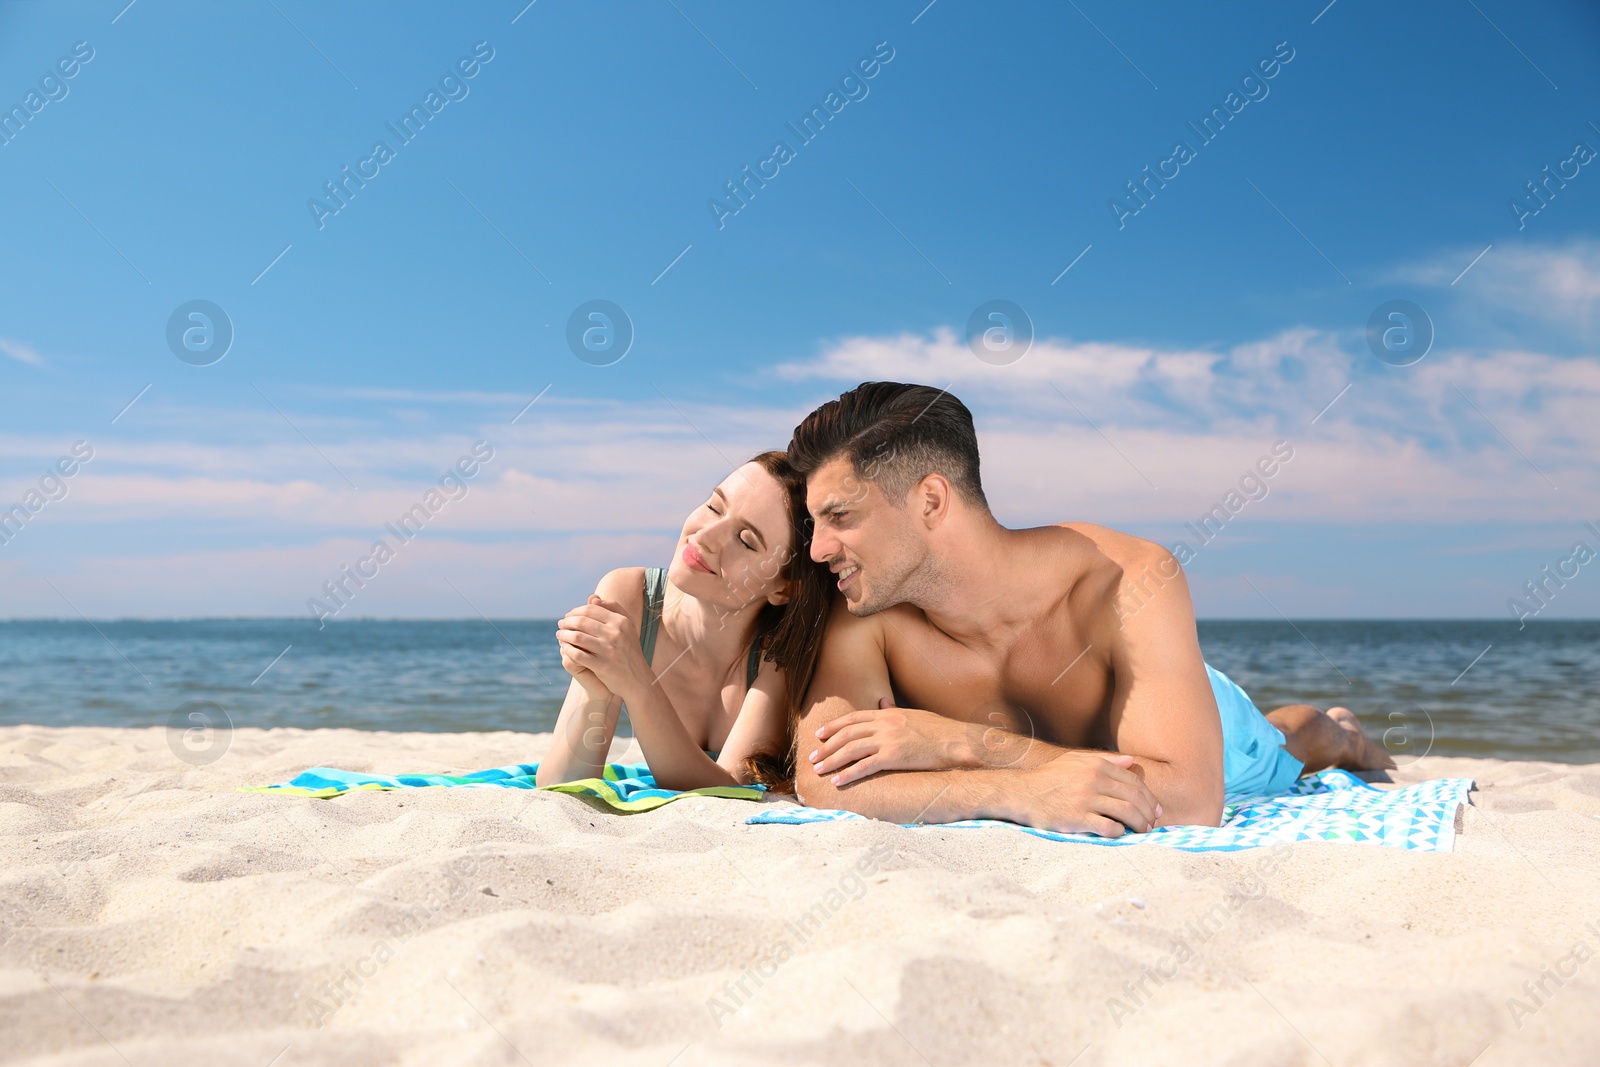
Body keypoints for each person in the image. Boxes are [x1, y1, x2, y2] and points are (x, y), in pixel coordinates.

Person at [787, 382, 1395, 836]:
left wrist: (957, 744)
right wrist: (1020, 792)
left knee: (1292, 739)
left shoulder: (1127, 580)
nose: (818, 550)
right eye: (816, 524)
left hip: (1189, 725)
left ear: (930, 501)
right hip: (1114, 748)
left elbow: (1189, 803)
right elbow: (821, 780)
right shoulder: (867, 610)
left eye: (841, 518)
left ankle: (1348, 736)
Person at [537, 452, 831, 791]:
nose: (705, 537)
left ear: (785, 587)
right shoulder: (630, 597)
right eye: (714, 507)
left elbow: (729, 790)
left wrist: (637, 684)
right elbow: (559, 785)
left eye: (746, 541)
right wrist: (597, 690)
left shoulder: (777, 652)